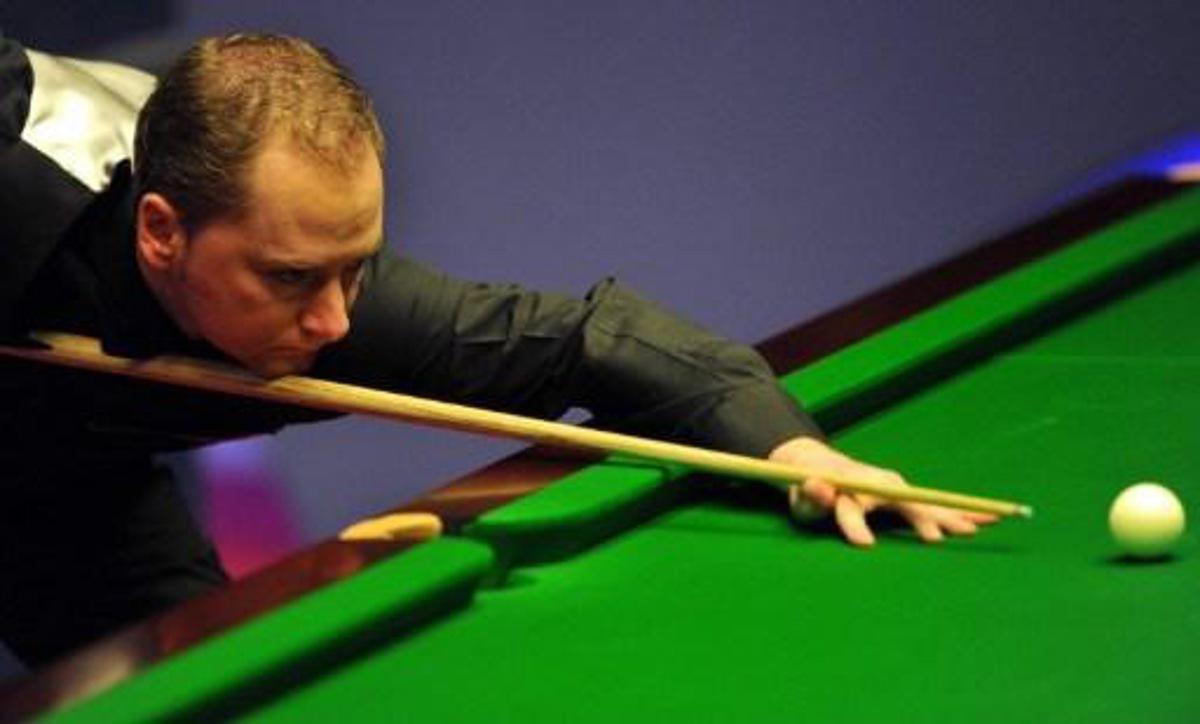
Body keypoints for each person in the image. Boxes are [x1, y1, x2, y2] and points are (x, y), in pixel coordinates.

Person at [0, 33, 994, 668]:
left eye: (355, 267)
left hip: (70, 481)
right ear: (163, 235)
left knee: (207, 680)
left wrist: (796, 453)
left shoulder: (336, 305)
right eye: (294, 279)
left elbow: (589, 342)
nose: (337, 321)